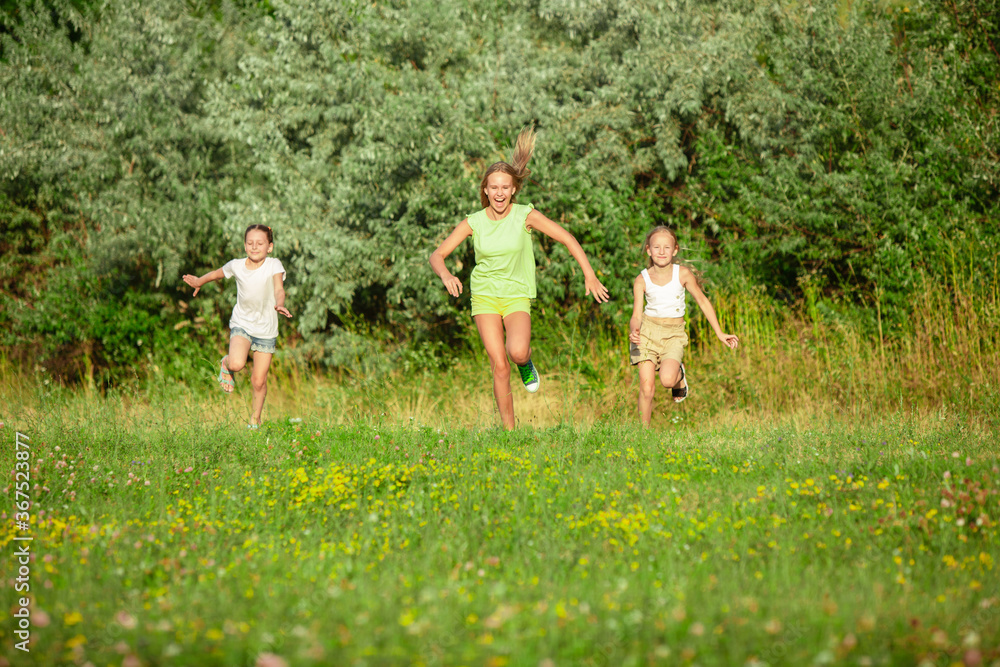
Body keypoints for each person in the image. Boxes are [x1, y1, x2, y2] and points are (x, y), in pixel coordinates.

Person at [430, 127, 610, 430]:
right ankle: (510, 433)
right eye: (493, 187)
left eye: (505, 187)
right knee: (499, 364)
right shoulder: (474, 221)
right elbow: (437, 255)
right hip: (484, 296)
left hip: (516, 295)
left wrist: (589, 275)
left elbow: (567, 238)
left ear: (513, 189)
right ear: (485, 190)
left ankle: (526, 362)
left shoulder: (525, 214)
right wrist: (446, 274)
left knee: (515, 352)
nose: (499, 193)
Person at [182, 225, 291, 429]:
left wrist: (280, 303)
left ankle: (255, 419)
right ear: (244, 245)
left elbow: (279, 289)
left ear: (270, 247)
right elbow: (216, 274)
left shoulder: (274, 265)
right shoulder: (237, 265)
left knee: (258, 380)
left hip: (266, 329)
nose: (254, 247)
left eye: (260, 243)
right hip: (242, 323)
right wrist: (199, 281)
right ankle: (227, 363)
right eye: (250, 243)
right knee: (237, 364)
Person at [629, 226, 738, 427]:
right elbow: (636, 314)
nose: (661, 252)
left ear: (675, 250)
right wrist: (634, 330)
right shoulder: (641, 280)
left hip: (673, 335)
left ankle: (679, 373)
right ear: (648, 251)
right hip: (646, 334)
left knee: (667, 381)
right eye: (656, 247)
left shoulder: (683, 274)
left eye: (667, 247)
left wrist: (719, 332)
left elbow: (703, 302)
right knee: (646, 388)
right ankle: (641, 435)